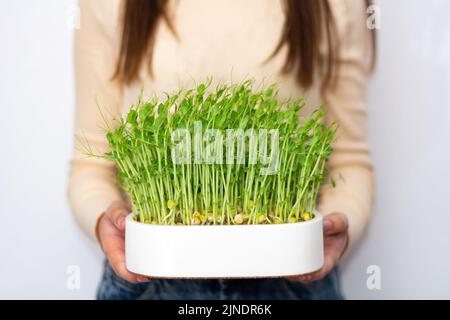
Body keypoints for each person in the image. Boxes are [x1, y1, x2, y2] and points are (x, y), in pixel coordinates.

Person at [68, 0, 375, 300]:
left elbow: (349, 160)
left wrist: (336, 224)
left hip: (291, 279)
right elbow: (90, 166)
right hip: (147, 278)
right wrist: (106, 222)